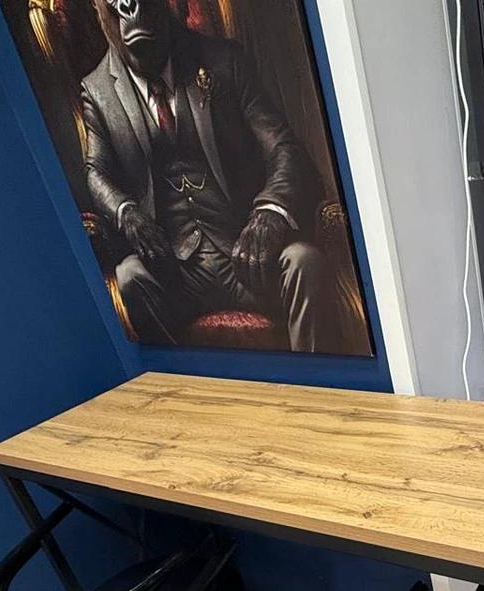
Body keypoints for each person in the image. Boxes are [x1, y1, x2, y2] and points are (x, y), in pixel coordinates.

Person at [81, 0, 355, 350]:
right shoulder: (97, 89)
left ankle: (316, 381)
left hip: (247, 257)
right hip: (175, 272)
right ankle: (184, 380)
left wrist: (270, 212)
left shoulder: (224, 60)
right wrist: (127, 213)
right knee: (130, 276)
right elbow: (95, 170)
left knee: (305, 262)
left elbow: (283, 145)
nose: (131, 9)